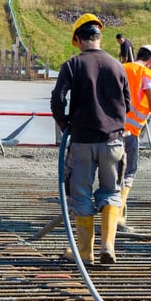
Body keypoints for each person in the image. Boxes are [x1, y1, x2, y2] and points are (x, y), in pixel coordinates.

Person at [51, 14, 131, 265]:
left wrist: (65, 124)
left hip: (82, 142)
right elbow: (127, 103)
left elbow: (57, 100)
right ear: (99, 38)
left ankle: (85, 253)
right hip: (113, 142)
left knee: (81, 194)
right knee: (111, 191)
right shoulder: (117, 66)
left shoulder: (72, 65)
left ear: (77, 40)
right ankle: (108, 246)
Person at [118, 44, 151, 232]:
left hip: (109, 130)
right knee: (128, 174)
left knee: (111, 176)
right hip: (130, 133)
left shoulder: (120, 68)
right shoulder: (146, 73)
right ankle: (117, 219)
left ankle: (112, 216)